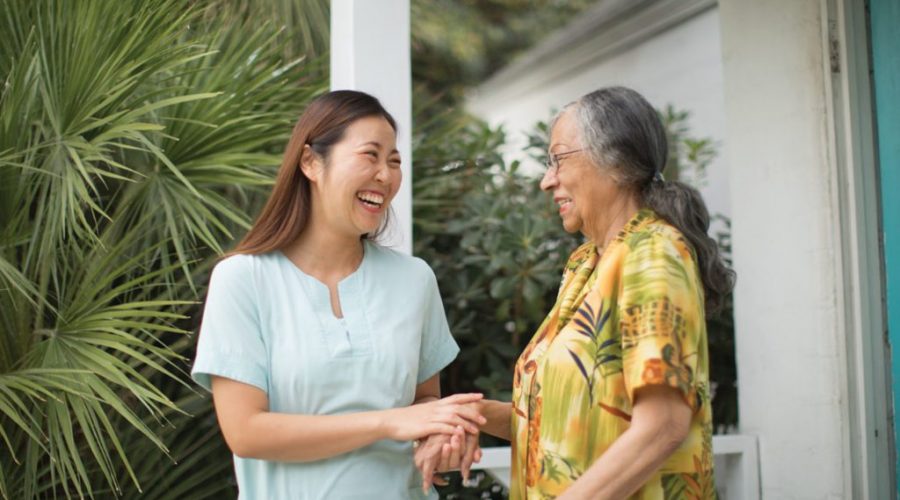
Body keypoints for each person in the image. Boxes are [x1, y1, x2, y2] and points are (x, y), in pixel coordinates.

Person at [433, 86, 735, 499]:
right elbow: (569, 419)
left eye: (558, 159)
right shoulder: (586, 263)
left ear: (615, 161)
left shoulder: (652, 253)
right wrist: (475, 415)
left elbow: (661, 426)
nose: (545, 180)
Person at [191, 90, 485, 499]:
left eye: (394, 161)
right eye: (371, 155)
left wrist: (438, 438)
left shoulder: (415, 279)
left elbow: (423, 406)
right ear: (311, 162)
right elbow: (246, 432)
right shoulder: (242, 279)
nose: (386, 174)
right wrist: (386, 423)